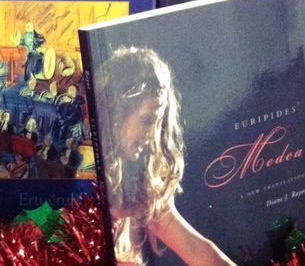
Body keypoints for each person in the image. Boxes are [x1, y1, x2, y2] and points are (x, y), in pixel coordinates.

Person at [95, 47, 235, 265]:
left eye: (157, 124)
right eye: (146, 120)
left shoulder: (138, 177)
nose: (152, 135)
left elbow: (192, 246)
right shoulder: (81, 170)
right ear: (116, 113)